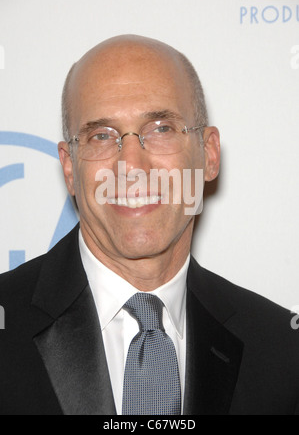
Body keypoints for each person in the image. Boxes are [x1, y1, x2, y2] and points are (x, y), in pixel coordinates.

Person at [0, 35, 298, 416]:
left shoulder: (281, 351)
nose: (133, 167)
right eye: (101, 136)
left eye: (161, 129)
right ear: (70, 167)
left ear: (208, 154)